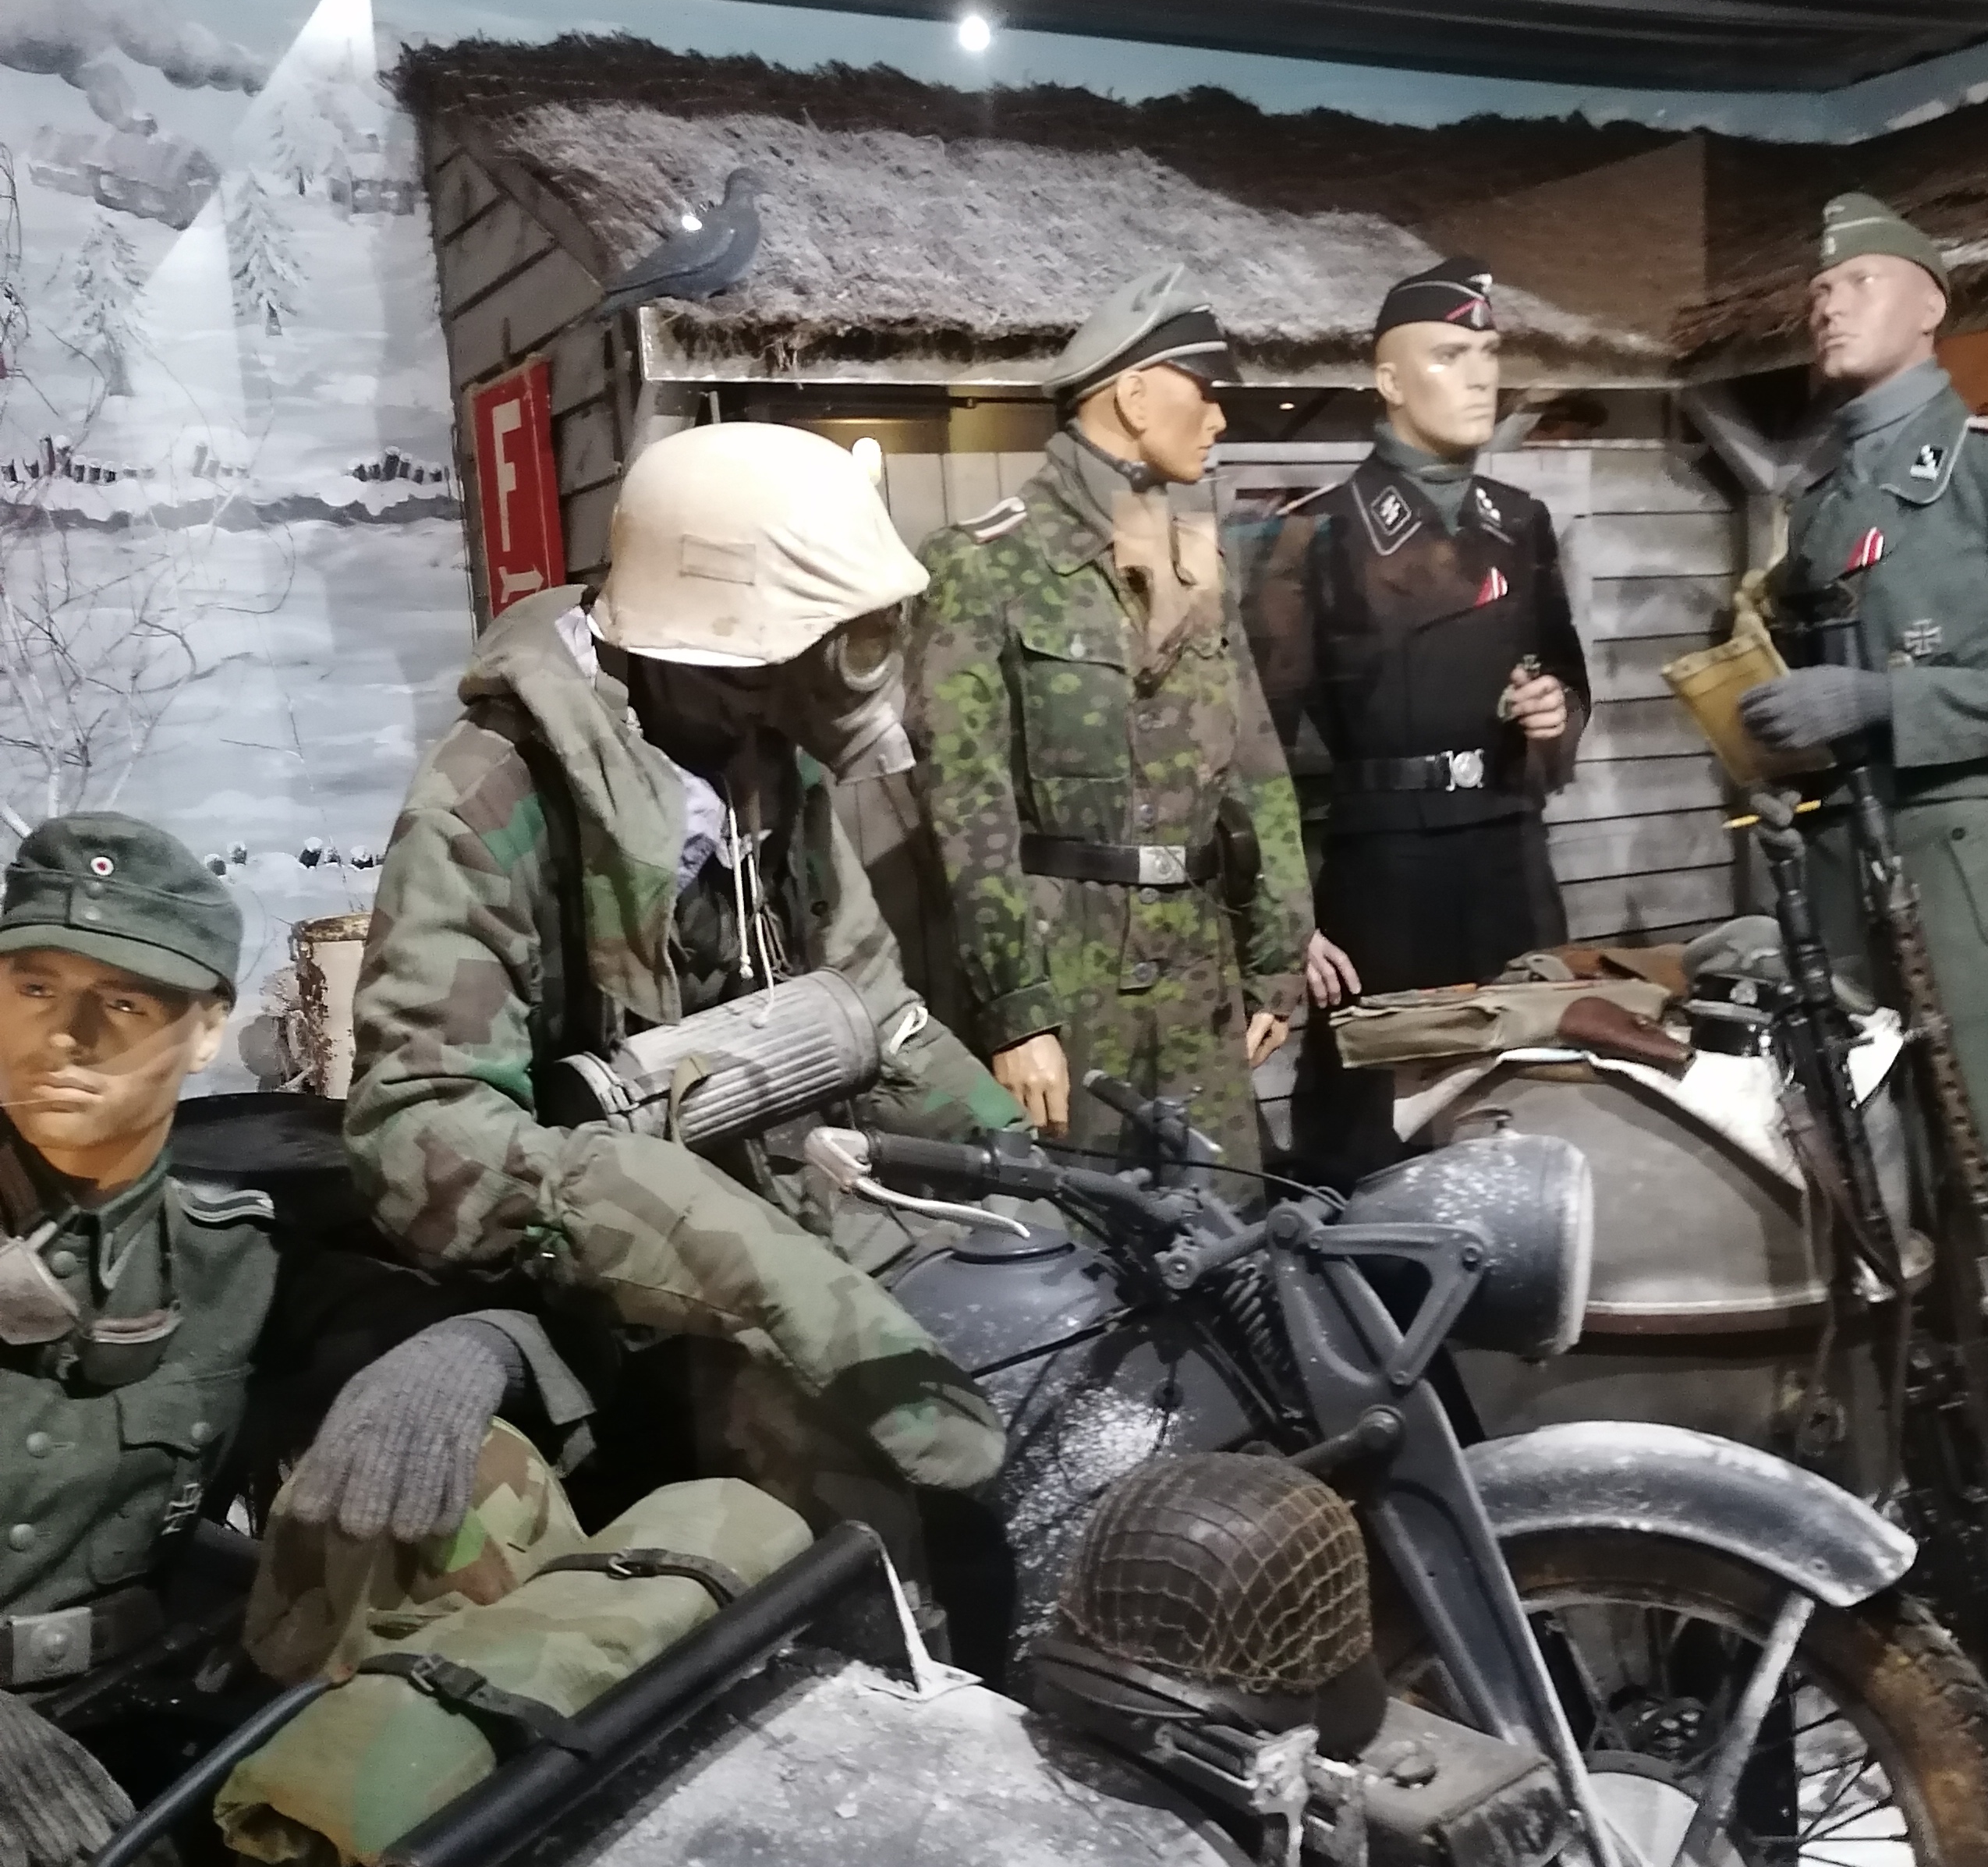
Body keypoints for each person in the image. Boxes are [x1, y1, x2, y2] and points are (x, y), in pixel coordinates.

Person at [0, 815, 611, 1867]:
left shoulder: (234, 1245)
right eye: (30, 986)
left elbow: (424, 1324)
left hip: (124, 1718)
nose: (67, 1036)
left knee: (469, 1474)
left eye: (125, 1002)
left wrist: (464, 1349)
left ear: (208, 1031)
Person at [343, 420, 1028, 1526]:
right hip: (603, 1302)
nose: (849, 677)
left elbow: (877, 1014)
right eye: (827, 643)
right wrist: (699, 1232)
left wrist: (1025, 1167)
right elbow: (420, 1130)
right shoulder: (492, 802)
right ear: (722, 645)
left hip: (793, 1242)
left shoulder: (768, 770)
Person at [1738, 190, 1988, 1457]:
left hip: (1969, 857)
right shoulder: (1821, 502)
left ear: (1930, 306)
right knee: (1869, 1152)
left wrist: (1887, 702)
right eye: (1820, 289)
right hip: (1840, 857)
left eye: (1857, 281)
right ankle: (1926, 1429)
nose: (1828, 302)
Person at [904, 264, 1317, 1170]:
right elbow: (967, 809)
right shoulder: (985, 566)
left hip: (1202, 973)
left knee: (1225, 1217)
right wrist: (1017, 1010)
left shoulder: (1198, 569)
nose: (1219, 418)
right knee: (1085, 1223)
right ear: (1133, 395)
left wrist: (1278, 956)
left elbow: (1257, 772)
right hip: (1070, 971)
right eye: (1204, 390)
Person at [1249, 256, 1591, 1171]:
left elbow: (1566, 673)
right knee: (1374, 1112)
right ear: (1390, 381)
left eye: (1489, 353)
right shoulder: (1318, 532)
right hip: (1385, 870)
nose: (1481, 377)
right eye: (1449, 355)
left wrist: (1554, 712)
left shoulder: (1520, 522)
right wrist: (1287, 914)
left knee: (1525, 1089)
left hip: (1509, 855)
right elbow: (1257, 748)